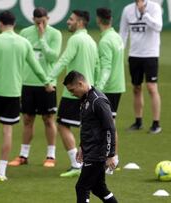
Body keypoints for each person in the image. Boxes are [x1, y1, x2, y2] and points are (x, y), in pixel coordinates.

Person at [0, 10, 54, 181]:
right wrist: (47, 83)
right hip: (13, 93)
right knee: (8, 130)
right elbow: (36, 67)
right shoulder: (24, 42)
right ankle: (1, 172)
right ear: (14, 24)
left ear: (0, 24)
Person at [8, 7, 62, 168]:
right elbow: (21, 56)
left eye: (43, 21)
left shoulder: (55, 34)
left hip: (47, 84)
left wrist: (41, 38)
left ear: (48, 18)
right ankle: (23, 155)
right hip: (27, 83)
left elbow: (52, 56)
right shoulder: (25, 33)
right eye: (37, 21)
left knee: (48, 119)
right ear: (33, 19)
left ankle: (51, 156)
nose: (40, 24)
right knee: (27, 119)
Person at [48, 10, 99, 177]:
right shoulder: (91, 40)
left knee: (63, 125)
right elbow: (97, 65)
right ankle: (92, 163)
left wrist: (49, 78)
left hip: (73, 93)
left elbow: (64, 60)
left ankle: (76, 165)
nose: (68, 21)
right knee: (85, 128)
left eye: (71, 19)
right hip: (88, 91)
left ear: (80, 22)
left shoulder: (75, 39)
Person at [63, 71, 118, 203]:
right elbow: (88, 127)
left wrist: (111, 154)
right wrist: (82, 146)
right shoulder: (85, 99)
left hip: (97, 153)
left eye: (72, 90)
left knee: (82, 187)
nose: (72, 94)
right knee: (99, 188)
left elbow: (110, 128)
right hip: (90, 150)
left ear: (80, 84)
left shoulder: (97, 101)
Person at [119, 0, 162, 134]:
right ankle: (138, 122)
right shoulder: (127, 9)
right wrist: (120, 51)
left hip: (150, 54)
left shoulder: (154, 8)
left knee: (151, 87)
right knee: (136, 88)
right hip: (134, 54)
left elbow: (158, 27)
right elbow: (123, 32)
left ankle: (156, 123)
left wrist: (144, 13)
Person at [95, 8, 125, 174]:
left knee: (108, 126)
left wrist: (98, 87)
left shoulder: (106, 41)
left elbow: (106, 67)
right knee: (108, 125)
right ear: (111, 20)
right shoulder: (116, 37)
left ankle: (112, 161)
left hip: (109, 88)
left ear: (98, 20)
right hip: (117, 85)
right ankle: (111, 159)